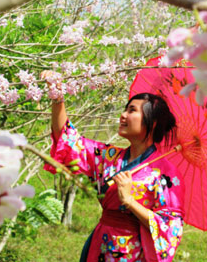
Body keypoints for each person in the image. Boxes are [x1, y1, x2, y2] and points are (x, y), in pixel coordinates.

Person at [41, 71, 185, 262]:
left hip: (134, 253)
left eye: (132, 111)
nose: (123, 115)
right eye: (125, 109)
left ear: (153, 122)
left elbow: (170, 226)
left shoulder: (166, 174)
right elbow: (68, 141)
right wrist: (57, 96)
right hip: (100, 245)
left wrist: (129, 201)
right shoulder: (109, 157)